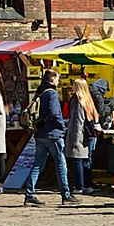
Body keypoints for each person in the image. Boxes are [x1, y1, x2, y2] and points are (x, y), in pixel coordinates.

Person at [23, 73, 74, 207]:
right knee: (61, 164)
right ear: (52, 79)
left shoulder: (40, 91)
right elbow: (54, 112)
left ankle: (29, 193)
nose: (58, 81)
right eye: (57, 78)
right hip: (53, 134)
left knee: (37, 165)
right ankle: (66, 194)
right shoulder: (51, 93)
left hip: (40, 133)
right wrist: (62, 126)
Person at [64, 77, 98, 197]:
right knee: (85, 161)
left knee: (77, 160)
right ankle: (87, 185)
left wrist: (75, 139)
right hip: (86, 136)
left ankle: (79, 186)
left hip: (79, 135)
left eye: (74, 85)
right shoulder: (88, 101)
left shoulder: (79, 102)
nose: (72, 88)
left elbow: (78, 121)